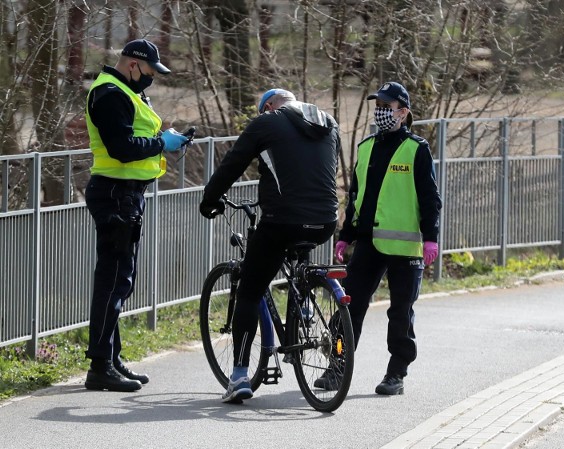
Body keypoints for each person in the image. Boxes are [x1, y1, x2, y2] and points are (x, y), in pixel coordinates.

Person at [199, 88, 341, 403]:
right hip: (326, 220)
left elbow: (233, 164)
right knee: (298, 261)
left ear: (270, 107)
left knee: (250, 288)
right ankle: (301, 310)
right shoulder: (328, 120)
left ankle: (238, 376)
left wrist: (210, 199)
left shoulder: (267, 123)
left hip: (282, 220)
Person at [315, 81, 442, 395]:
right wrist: (346, 236)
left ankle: (395, 373)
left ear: (403, 112)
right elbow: (357, 197)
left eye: (387, 107)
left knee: (400, 313)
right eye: (379, 106)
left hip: (406, 247)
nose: (381, 112)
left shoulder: (417, 149)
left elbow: (430, 198)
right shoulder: (366, 146)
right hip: (369, 243)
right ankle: (337, 368)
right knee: (349, 308)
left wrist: (431, 238)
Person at [84, 39, 190, 392]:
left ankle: (110, 359)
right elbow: (122, 147)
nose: (152, 79)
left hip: (126, 194)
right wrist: (163, 143)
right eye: (149, 71)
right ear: (133, 65)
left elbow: (134, 136)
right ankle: (100, 364)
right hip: (116, 194)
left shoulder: (124, 92)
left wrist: (164, 138)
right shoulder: (111, 94)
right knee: (114, 280)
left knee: (119, 278)